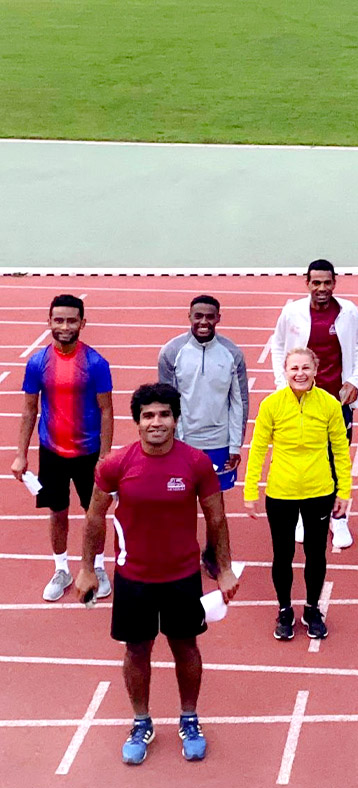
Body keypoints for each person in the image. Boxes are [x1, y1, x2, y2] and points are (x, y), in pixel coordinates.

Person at [74, 383, 240, 765]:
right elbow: (94, 516)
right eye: (148, 415)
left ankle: (189, 718)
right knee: (137, 650)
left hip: (182, 577)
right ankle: (141, 722)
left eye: (164, 414)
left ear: (176, 419)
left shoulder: (196, 463)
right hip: (134, 579)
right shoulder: (115, 465)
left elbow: (216, 517)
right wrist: (85, 568)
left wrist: (225, 569)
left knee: (186, 647)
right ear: (137, 422)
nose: (156, 422)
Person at [11, 294, 114, 601]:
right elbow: (29, 410)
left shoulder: (96, 363)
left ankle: (97, 567)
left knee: (94, 513)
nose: (65, 326)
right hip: (51, 452)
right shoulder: (37, 363)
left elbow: (107, 410)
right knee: (57, 512)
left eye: (71, 320)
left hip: (89, 453)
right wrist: (20, 455)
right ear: (49, 322)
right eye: (59, 320)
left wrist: (105, 456)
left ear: (83, 323)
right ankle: (61, 569)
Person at [245, 347, 351, 640]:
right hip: (281, 493)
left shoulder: (329, 404)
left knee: (316, 553)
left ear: (315, 370)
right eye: (294, 368)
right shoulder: (271, 405)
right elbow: (257, 449)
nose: (300, 373)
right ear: (285, 371)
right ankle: (284, 610)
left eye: (305, 368)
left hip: (319, 491)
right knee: (283, 554)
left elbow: (340, 449)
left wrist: (344, 490)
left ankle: (312, 609)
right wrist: (250, 490)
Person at [271, 259, 358, 549]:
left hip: (337, 401)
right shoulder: (292, 312)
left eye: (327, 282)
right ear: (307, 283)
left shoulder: (348, 312)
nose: (322, 288)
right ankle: (304, 514)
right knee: (302, 456)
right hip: (300, 400)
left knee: (337, 457)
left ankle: (339, 518)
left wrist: (355, 380)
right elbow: (278, 346)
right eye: (316, 282)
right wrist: (282, 385)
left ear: (334, 283)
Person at [158, 295, 249, 579]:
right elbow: (166, 403)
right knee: (179, 504)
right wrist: (173, 443)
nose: (204, 322)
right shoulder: (172, 352)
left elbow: (239, 402)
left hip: (219, 444)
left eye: (210, 316)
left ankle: (213, 556)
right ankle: (180, 557)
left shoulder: (232, 354)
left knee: (215, 509)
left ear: (218, 318)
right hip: (184, 444)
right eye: (198, 316)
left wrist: (235, 445)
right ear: (189, 317)